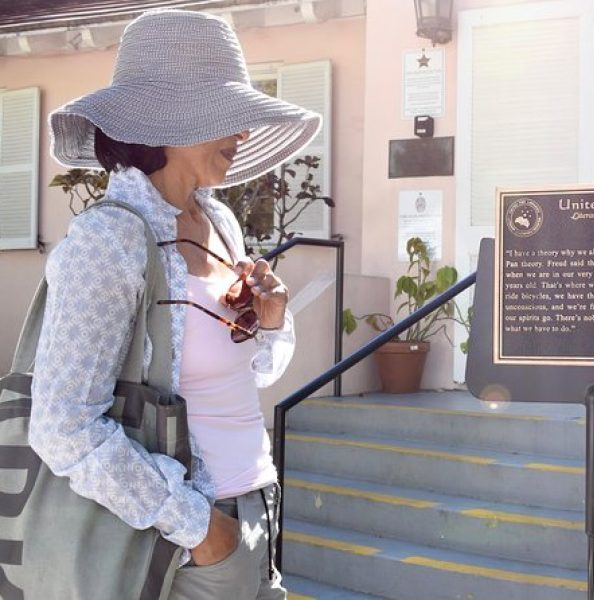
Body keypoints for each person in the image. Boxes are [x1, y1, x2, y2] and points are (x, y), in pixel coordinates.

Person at [30, 9, 321, 599]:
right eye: (229, 117)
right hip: (183, 540)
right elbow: (62, 426)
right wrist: (201, 530)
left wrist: (267, 324)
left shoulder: (218, 221)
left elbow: (251, 374)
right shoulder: (107, 241)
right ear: (168, 121)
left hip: (258, 505)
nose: (242, 134)